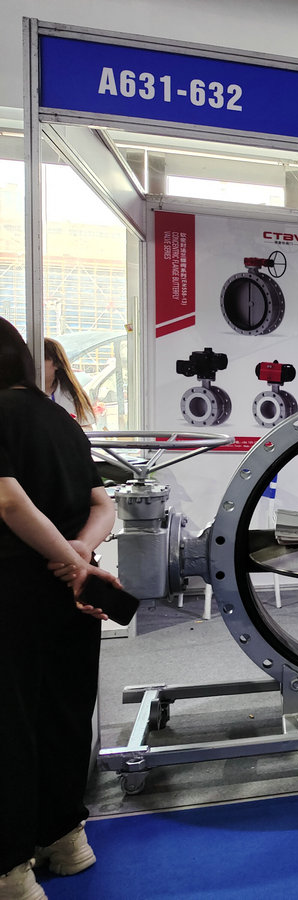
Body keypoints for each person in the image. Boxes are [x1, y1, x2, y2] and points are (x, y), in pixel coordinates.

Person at [0, 318, 120, 900]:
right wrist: (82, 557)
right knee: (66, 709)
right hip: (72, 596)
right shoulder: (61, 421)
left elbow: (8, 501)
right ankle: (67, 839)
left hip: (15, 589)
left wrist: (68, 562)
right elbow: (103, 503)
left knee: (11, 722)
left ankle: (12, 869)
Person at [43, 337, 95, 429]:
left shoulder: (72, 394)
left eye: (42, 359)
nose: (33, 364)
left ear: (57, 364)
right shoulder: (21, 393)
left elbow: (87, 428)